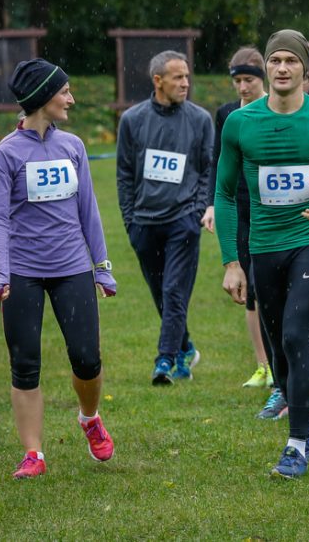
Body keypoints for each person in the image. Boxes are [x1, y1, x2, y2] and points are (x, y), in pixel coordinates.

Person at [216, 29, 309, 478]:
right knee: (281, 345)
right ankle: (303, 410)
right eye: (275, 60)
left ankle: (297, 442)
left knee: (296, 333)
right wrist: (231, 262)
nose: (282, 68)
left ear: (306, 69)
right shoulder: (240, 123)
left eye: (291, 61)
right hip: (264, 245)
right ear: (267, 67)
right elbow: (224, 195)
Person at [0, 58, 117, 479]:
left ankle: (90, 417)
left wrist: (102, 267)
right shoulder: (5, 153)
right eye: (64, 91)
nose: (71, 99)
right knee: (25, 363)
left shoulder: (73, 146)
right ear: (43, 97)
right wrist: (2, 273)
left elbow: (89, 212)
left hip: (72, 269)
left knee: (87, 358)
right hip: (23, 272)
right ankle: (33, 454)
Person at [117, 50, 213, 384]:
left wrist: (197, 211)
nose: (185, 83)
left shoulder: (201, 120)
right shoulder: (132, 120)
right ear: (158, 81)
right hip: (143, 223)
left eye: (187, 76)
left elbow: (206, 170)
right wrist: (130, 221)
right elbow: (125, 174)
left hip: (183, 221)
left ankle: (165, 360)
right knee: (161, 294)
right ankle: (185, 346)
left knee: (174, 292)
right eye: (178, 77)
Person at [210, 47, 273, 388]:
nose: (243, 87)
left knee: (272, 288)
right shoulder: (226, 114)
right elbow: (218, 163)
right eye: (237, 80)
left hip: (270, 207)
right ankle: (262, 365)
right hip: (239, 209)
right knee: (248, 289)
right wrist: (211, 205)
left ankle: (279, 364)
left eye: (249, 79)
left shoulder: (275, 110)